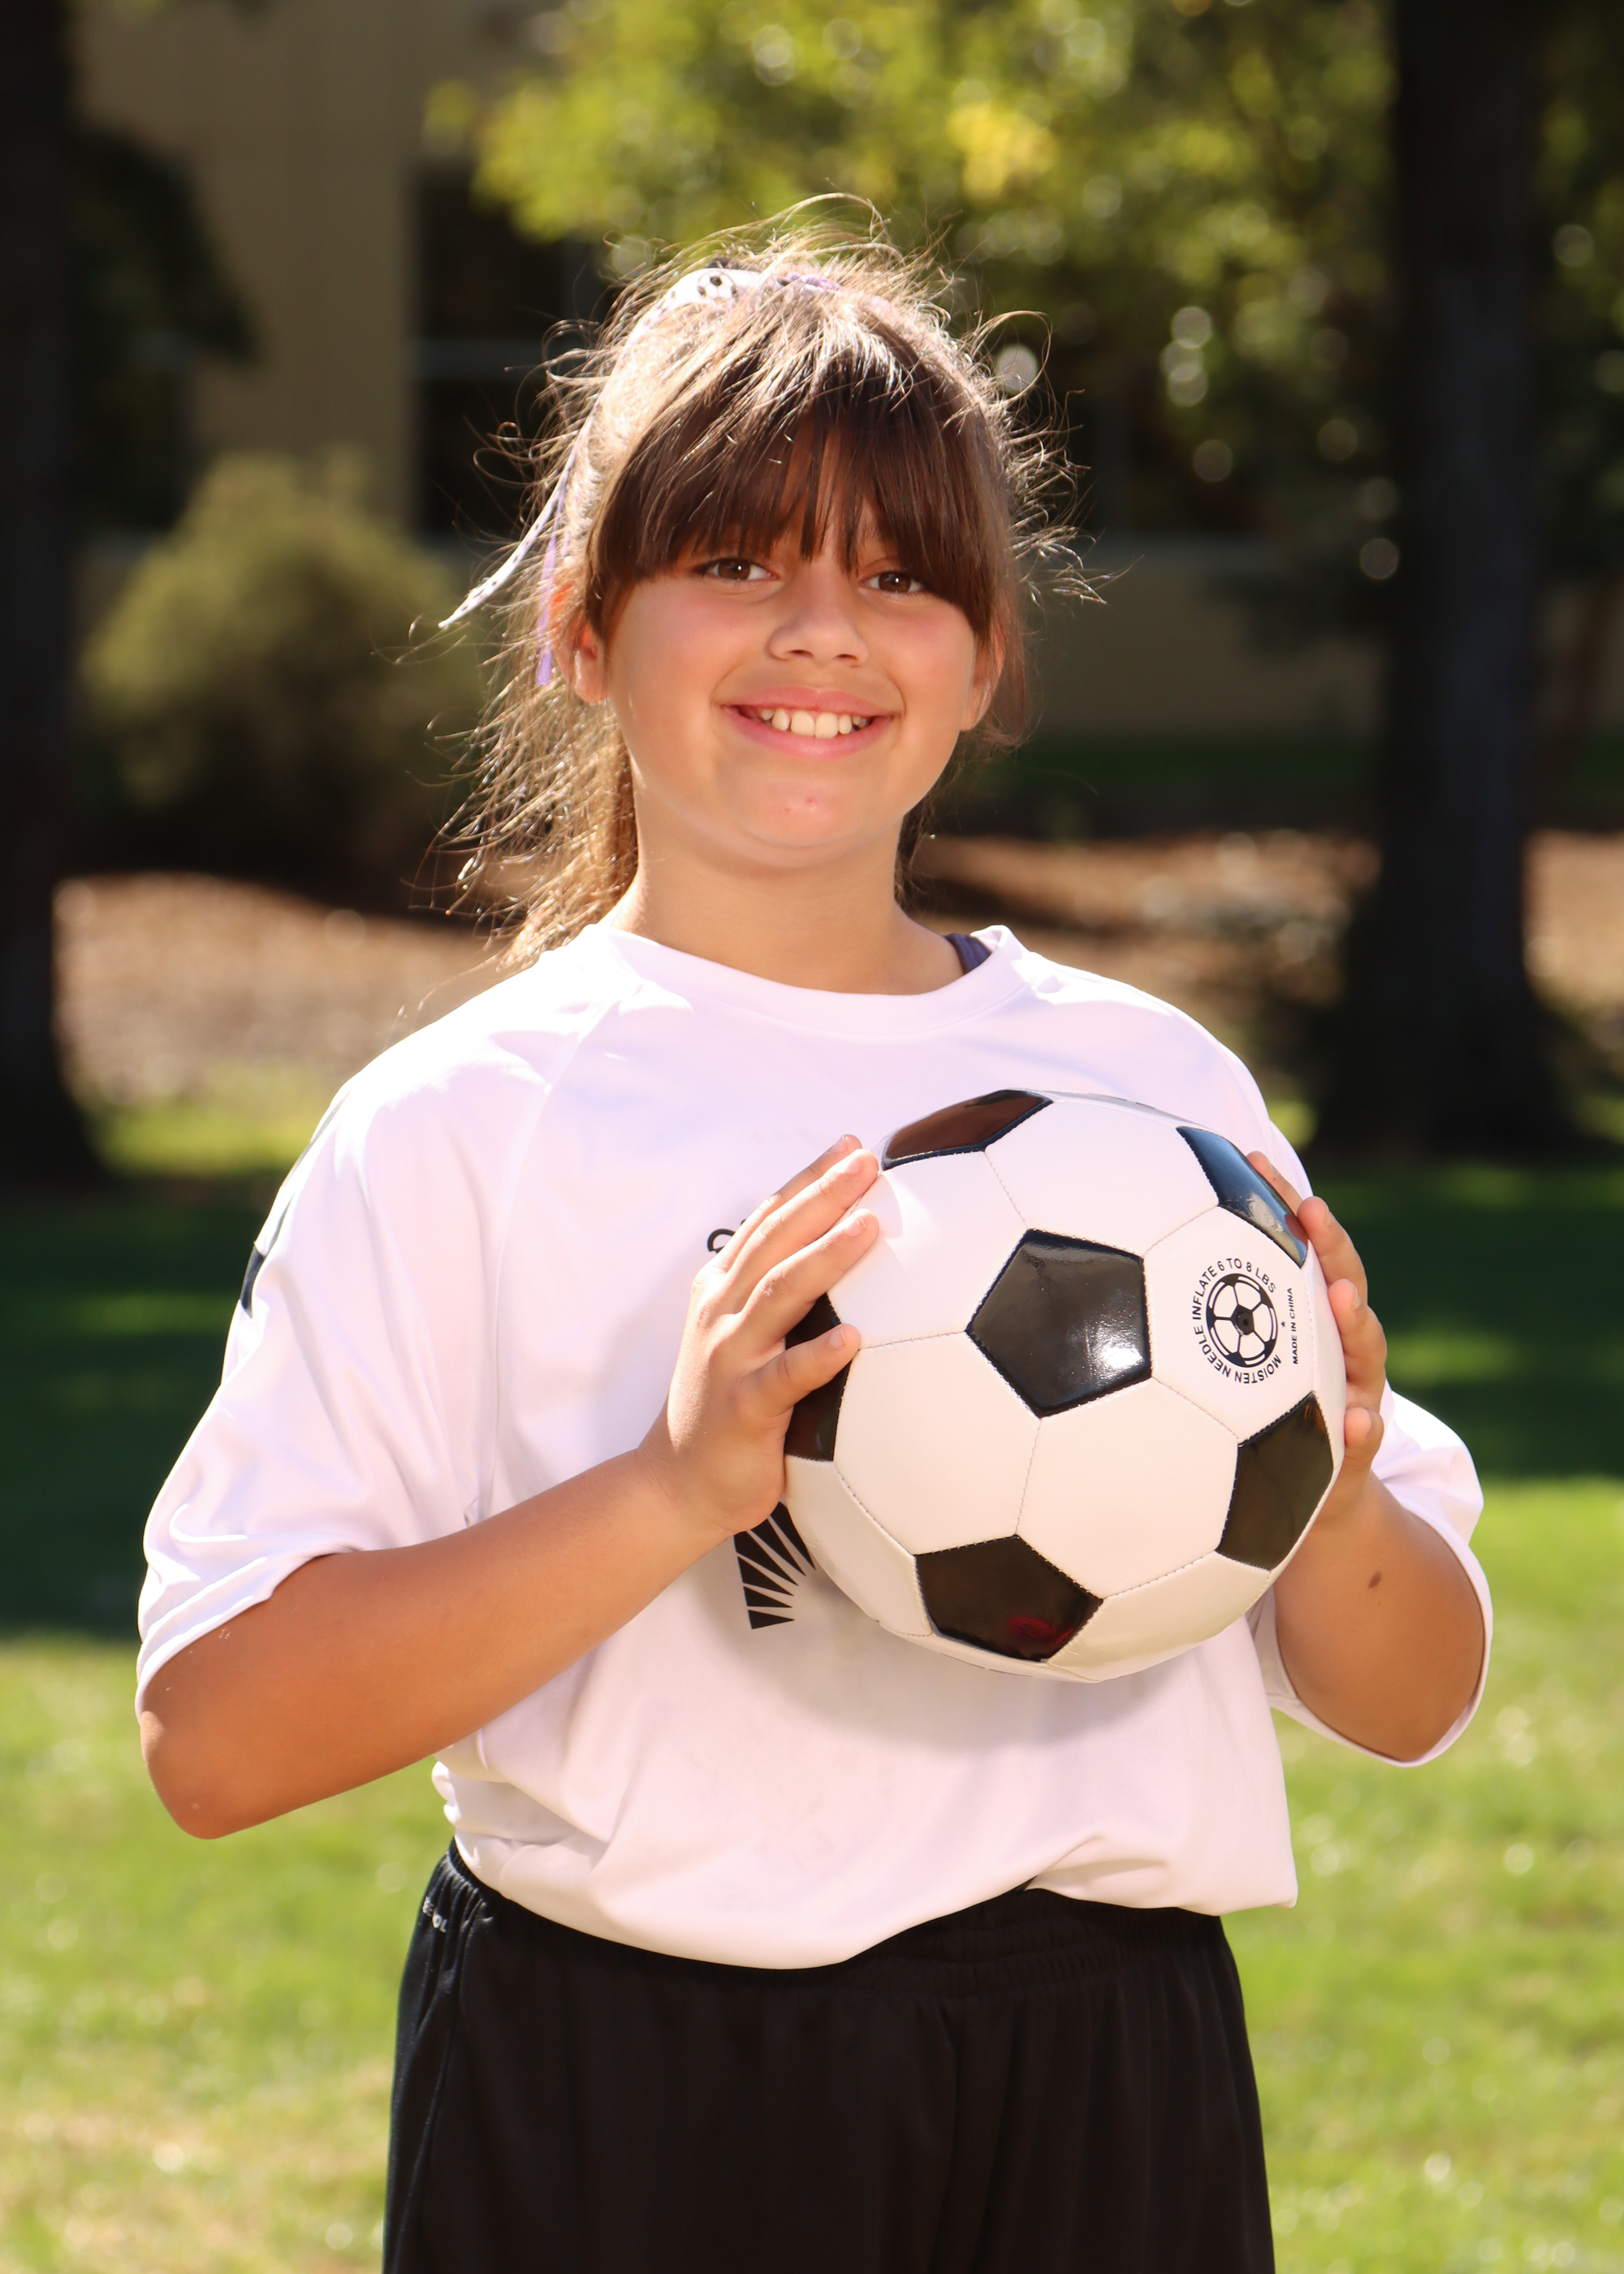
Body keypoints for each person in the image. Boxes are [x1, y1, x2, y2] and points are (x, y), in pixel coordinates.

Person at [137, 227, 1489, 2274]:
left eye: (900, 575)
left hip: (1105, 2074)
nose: (821, 632)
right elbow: (217, 1738)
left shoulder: (1146, 1093)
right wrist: (671, 1490)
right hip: (629, 2080)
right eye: (735, 559)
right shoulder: (462, 1126)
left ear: (985, 656)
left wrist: (1331, 1478)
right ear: (580, 627)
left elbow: (1414, 1692)